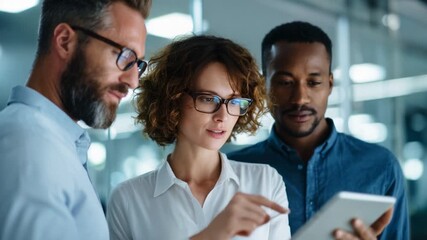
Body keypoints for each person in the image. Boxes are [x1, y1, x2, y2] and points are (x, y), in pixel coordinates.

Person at [228, 21, 409, 240]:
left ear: (330, 85)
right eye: (285, 82)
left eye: (314, 82)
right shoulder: (232, 171)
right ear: (264, 86)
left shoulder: (380, 166)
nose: (300, 98)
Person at [106, 35, 291, 240]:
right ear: (172, 100)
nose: (222, 116)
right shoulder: (128, 198)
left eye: (234, 102)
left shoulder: (265, 182)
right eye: (207, 99)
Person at [0, 0, 151, 239]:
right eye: (124, 55)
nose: (133, 81)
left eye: (137, 64)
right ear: (65, 41)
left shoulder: (56, 142)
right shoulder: (29, 144)